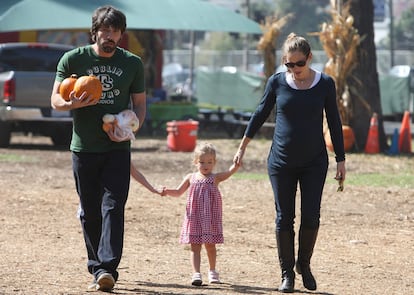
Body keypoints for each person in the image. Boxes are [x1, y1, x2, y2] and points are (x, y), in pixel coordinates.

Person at [233, 33, 346, 293]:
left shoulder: (325, 84)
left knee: (311, 216)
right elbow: (260, 113)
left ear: (309, 58)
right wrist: (243, 146)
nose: (294, 69)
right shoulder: (277, 83)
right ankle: (287, 274)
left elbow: (335, 122)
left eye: (299, 64)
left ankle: (303, 265)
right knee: (284, 218)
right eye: (289, 64)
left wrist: (341, 159)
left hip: (315, 162)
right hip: (281, 162)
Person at [50, 5, 146, 292]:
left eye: (115, 31)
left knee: (113, 206)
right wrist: (71, 105)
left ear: (121, 34)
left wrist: (131, 128)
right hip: (84, 147)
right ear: (95, 31)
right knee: (90, 210)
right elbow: (55, 99)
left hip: (117, 148)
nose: (110, 35)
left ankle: (107, 269)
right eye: (105, 30)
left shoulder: (132, 64)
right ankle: (96, 267)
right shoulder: (73, 59)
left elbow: (140, 105)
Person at [161, 142, 240, 286]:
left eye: (209, 162)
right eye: (202, 162)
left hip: (209, 218)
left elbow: (229, 172)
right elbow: (178, 192)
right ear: (195, 162)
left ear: (214, 163)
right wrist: (166, 191)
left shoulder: (215, 178)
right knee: (195, 246)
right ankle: (196, 273)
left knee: (210, 245)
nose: (206, 165)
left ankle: (212, 271)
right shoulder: (191, 177)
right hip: (194, 217)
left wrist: (236, 166)